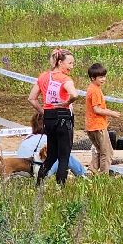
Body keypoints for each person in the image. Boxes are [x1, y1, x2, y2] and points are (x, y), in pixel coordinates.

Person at [29, 48, 80, 186]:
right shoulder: (65, 79)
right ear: (60, 62)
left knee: (51, 155)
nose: (71, 67)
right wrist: (67, 103)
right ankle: (61, 187)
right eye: (69, 63)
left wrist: (44, 111)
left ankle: (38, 183)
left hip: (49, 118)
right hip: (63, 117)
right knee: (64, 156)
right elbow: (74, 95)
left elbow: (32, 98)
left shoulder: (43, 77)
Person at [15, 113, 86, 180]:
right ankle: (83, 174)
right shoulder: (47, 139)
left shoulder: (27, 137)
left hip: (21, 170)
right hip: (36, 171)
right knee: (66, 156)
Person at [84, 62, 119, 173]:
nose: (103, 79)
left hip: (91, 126)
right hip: (98, 126)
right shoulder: (95, 90)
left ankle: (91, 171)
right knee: (107, 152)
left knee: (99, 151)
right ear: (93, 78)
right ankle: (104, 176)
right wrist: (111, 113)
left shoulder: (92, 88)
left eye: (104, 76)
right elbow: (97, 109)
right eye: (100, 77)